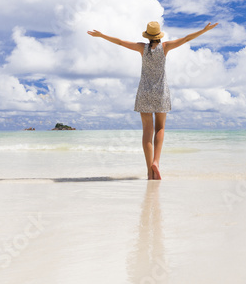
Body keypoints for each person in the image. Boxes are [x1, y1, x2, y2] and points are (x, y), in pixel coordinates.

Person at [88, 21, 218, 180]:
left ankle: (149, 171)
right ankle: (156, 161)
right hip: (161, 92)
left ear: (148, 36)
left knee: (147, 131)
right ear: (159, 36)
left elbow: (121, 42)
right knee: (160, 128)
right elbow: (186, 39)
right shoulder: (165, 47)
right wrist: (203, 30)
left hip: (144, 92)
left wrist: (101, 35)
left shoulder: (142, 48)